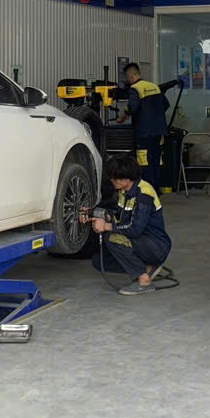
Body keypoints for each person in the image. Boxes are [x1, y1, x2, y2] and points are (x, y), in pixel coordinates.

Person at [90, 153, 172, 294]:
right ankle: (147, 267)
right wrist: (93, 214)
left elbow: (134, 229)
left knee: (112, 238)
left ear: (127, 178)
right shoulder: (124, 191)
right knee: (100, 262)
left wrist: (106, 226)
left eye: (115, 177)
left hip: (155, 245)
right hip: (141, 242)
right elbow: (119, 217)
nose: (111, 180)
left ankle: (144, 281)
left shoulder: (144, 195)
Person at [118, 62, 170, 193]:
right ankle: (156, 191)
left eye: (127, 78)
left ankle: (146, 192)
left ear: (130, 76)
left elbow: (132, 108)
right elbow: (166, 104)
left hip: (144, 133)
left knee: (144, 162)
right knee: (156, 161)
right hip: (159, 132)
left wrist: (122, 117)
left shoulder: (135, 89)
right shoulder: (154, 87)